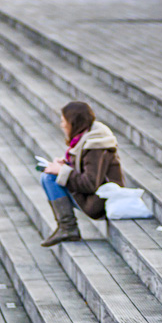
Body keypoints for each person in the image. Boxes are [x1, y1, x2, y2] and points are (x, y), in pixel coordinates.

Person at [40, 101, 124, 247]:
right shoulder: (85, 138)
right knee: (49, 175)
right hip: (96, 195)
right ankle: (66, 227)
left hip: (100, 201)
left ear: (73, 123)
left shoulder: (96, 146)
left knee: (49, 178)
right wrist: (66, 165)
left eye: (63, 121)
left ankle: (68, 227)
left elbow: (90, 183)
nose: (62, 125)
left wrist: (62, 171)